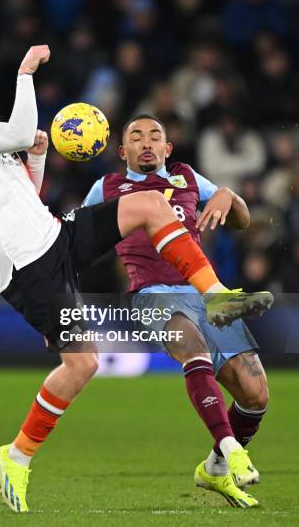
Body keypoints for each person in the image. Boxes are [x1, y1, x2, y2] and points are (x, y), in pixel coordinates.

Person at [0, 48, 272, 513]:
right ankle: (17, 455)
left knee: (151, 205)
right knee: (82, 365)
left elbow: (25, 191)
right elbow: (19, 131)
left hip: (51, 236)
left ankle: (218, 296)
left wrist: (39, 158)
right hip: (25, 264)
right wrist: (26, 73)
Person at [83, 115, 271, 508]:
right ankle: (231, 448)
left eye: (155, 136)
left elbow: (242, 220)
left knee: (255, 394)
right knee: (193, 346)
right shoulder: (107, 188)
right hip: (153, 295)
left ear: (168, 149)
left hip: (206, 294)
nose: (146, 142)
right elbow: (75, 242)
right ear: (123, 152)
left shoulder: (186, 177)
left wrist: (228, 195)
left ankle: (215, 468)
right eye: (136, 137)